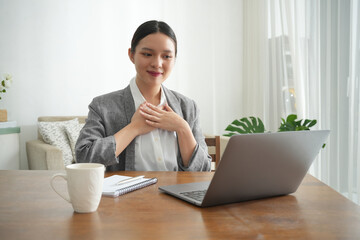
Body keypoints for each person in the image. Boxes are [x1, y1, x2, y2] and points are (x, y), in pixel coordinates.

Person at [75, 20, 211, 171]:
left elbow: (204, 171)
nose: (157, 63)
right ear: (131, 55)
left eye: (166, 56)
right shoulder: (103, 106)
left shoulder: (188, 107)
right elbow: (84, 157)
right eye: (147, 54)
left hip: (177, 194)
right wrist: (133, 128)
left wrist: (182, 128)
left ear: (174, 60)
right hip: (128, 195)